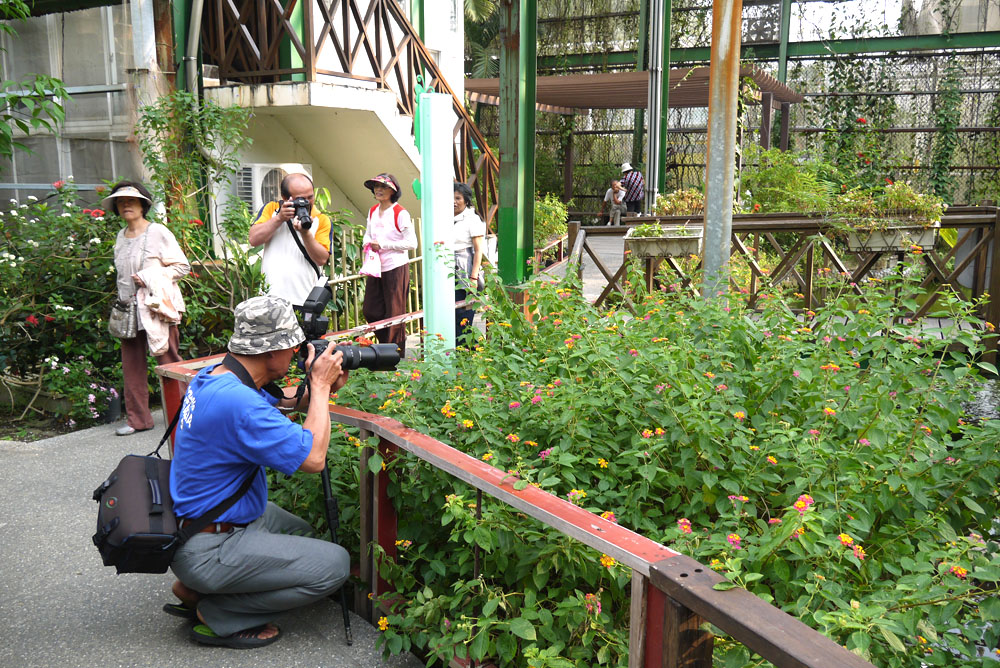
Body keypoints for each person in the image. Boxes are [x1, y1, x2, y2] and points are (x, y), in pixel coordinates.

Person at [165, 295, 351, 649]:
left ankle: (195, 587)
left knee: (302, 532)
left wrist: (314, 390)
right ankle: (221, 610)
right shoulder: (239, 403)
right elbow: (313, 459)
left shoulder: (215, 378)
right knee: (334, 565)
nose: (298, 352)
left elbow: (280, 403)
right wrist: (323, 389)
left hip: (198, 525)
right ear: (269, 351)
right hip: (210, 545)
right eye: (292, 346)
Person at [105, 181, 190, 437]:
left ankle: (187, 416)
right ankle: (138, 420)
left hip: (157, 307)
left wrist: (151, 276)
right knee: (131, 366)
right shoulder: (121, 236)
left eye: (131, 201)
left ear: (143, 205)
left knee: (170, 362)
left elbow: (181, 267)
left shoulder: (158, 232)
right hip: (128, 309)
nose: (126, 205)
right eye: (120, 202)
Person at [248, 173, 332, 306]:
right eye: (301, 199)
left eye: (310, 197)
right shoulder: (271, 209)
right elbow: (253, 239)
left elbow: (321, 259)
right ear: (285, 198)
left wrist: (306, 234)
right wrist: (279, 218)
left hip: (305, 301)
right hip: (270, 300)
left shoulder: (321, 219)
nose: (306, 202)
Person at [361, 173, 416, 356]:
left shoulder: (400, 212)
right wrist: (367, 243)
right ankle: (386, 344)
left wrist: (384, 245)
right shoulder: (372, 211)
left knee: (394, 312)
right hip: (376, 266)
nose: (379, 190)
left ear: (393, 190)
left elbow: (412, 243)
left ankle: (394, 353)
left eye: (383, 187)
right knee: (370, 309)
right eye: (376, 187)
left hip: (396, 266)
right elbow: (368, 233)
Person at [452, 183, 486, 342]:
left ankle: (465, 350)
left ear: (466, 200)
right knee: (450, 313)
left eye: (458, 198)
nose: (454, 201)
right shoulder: (443, 217)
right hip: (447, 265)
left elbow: (478, 250)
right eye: (451, 198)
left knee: (463, 312)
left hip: (464, 266)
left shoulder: (472, 219)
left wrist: (473, 278)